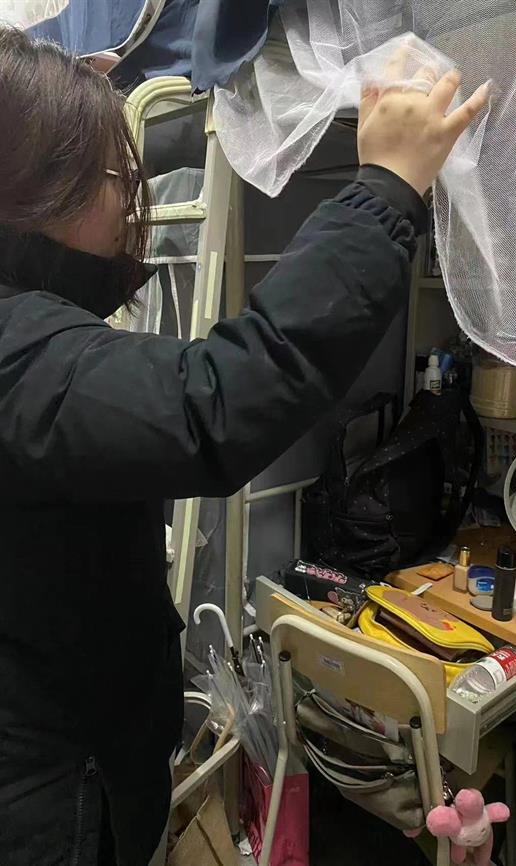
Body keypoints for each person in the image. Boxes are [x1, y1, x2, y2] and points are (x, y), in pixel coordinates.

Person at [0, 27, 488, 866]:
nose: (127, 204)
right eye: (117, 178)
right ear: (40, 188)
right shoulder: (18, 350)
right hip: (49, 796)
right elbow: (214, 402)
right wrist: (385, 191)